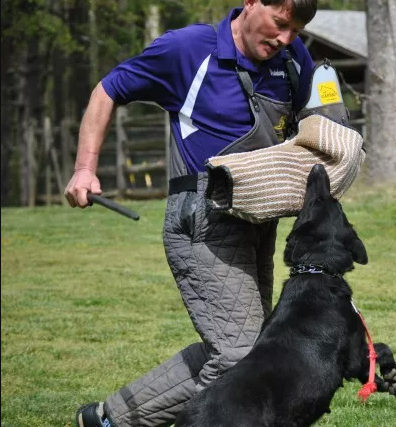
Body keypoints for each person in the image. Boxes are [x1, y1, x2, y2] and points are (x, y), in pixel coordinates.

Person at [65, 1, 318, 426]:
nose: (286, 39)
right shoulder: (187, 49)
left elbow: (319, 118)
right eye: (280, 23)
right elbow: (108, 89)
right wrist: (85, 168)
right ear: (252, 3)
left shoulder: (293, 58)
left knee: (246, 345)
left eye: (295, 30)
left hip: (259, 220)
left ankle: (105, 419)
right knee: (238, 354)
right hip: (201, 217)